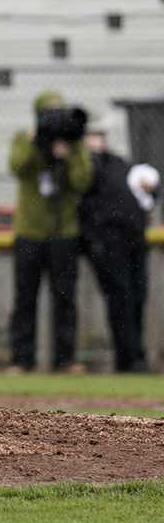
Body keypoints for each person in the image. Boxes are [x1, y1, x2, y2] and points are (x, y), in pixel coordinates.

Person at [8, 91, 93, 373]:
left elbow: (83, 181)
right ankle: (21, 359)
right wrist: (36, 144)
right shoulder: (25, 138)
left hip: (64, 232)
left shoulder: (74, 144)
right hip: (29, 231)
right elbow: (17, 167)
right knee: (25, 298)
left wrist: (67, 156)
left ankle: (65, 359)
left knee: (65, 298)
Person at [80, 118, 160, 372]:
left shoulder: (119, 163)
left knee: (138, 296)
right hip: (108, 241)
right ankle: (128, 358)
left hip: (135, 239)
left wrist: (153, 189)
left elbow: (146, 190)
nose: (96, 140)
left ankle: (138, 355)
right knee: (121, 298)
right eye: (91, 136)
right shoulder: (84, 167)